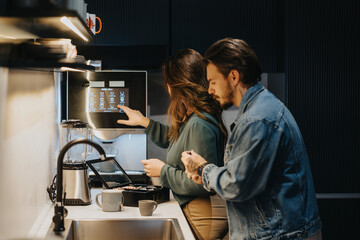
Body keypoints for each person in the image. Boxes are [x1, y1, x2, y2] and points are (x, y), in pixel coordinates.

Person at [181, 38, 322, 240]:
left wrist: (204, 169)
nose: (210, 90)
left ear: (234, 76)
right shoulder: (260, 109)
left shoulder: (257, 119)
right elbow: (243, 177)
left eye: (212, 82)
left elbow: (237, 185)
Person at [117, 48, 229, 240]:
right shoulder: (193, 118)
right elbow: (175, 139)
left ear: (179, 85)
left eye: (168, 83)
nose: (167, 88)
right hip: (195, 208)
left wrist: (163, 171)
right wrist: (143, 121)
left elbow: (201, 183)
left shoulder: (199, 124)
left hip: (202, 213)